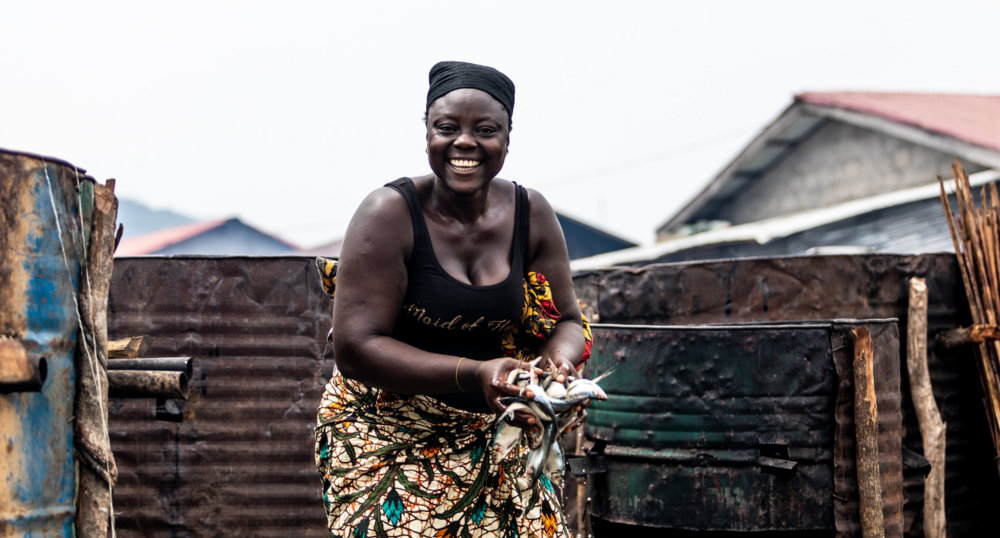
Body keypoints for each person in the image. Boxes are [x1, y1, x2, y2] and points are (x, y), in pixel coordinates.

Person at [315, 61, 591, 538]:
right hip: (388, 433)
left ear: (507, 138)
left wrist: (551, 371)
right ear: (427, 135)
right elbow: (355, 347)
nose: (465, 142)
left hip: (497, 431)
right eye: (447, 128)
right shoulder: (389, 214)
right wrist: (477, 372)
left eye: (485, 130)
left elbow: (567, 321)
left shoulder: (532, 213)